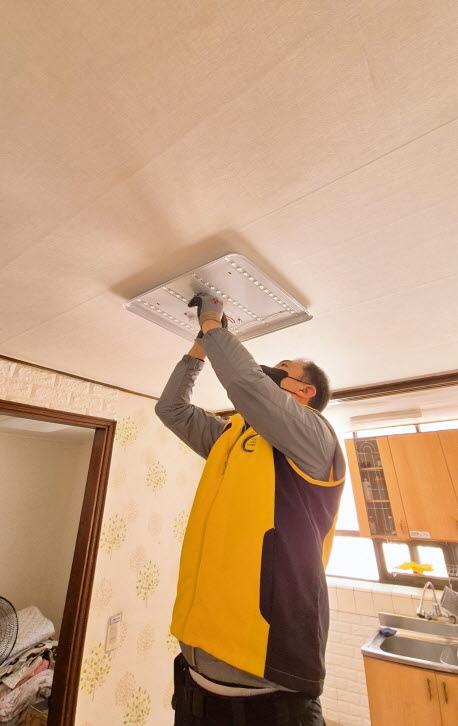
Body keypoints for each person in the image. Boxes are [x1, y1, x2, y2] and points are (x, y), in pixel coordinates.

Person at [155, 292, 345, 726]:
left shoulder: (317, 439)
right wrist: (199, 350)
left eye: (282, 369)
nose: (269, 373)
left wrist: (212, 323)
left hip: (270, 699)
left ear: (304, 391)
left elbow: (247, 385)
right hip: (195, 685)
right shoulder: (234, 436)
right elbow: (172, 409)